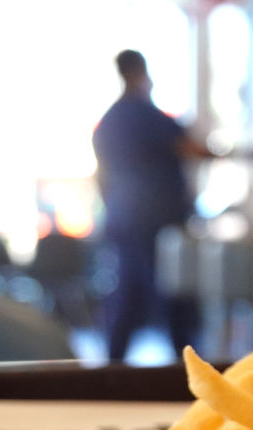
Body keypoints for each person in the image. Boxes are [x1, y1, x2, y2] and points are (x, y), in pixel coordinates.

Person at [92, 49, 206, 361]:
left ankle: (112, 366)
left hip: (122, 216)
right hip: (155, 218)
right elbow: (193, 149)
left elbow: (100, 178)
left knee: (128, 291)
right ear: (141, 73)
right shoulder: (148, 115)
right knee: (173, 292)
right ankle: (187, 370)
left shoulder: (109, 122)